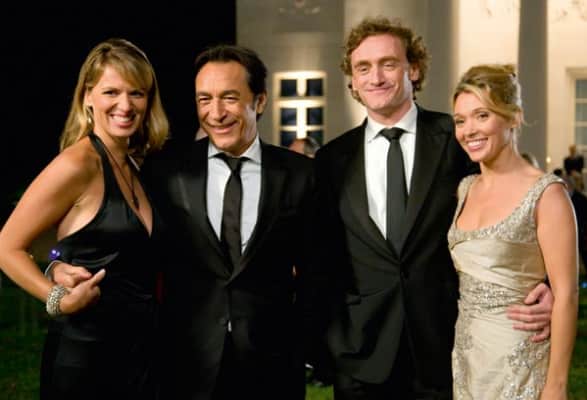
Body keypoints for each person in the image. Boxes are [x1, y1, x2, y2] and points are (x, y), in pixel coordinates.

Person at [53, 44, 315, 400]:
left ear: (260, 101)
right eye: (204, 99)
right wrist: (57, 265)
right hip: (184, 364)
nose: (216, 113)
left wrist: (307, 342)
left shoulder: (301, 174)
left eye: (229, 98)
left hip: (274, 366)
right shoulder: (165, 171)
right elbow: (119, 243)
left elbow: (320, 270)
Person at [312, 16, 554, 399]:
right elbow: (321, 259)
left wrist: (547, 286)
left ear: (413, 68)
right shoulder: (331, 160)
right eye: (363, 68)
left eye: (388, 64)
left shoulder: (459, 139)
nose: (376, 77)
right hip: (360, 353)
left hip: (445, 345)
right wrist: (330, 343)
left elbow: (519, 208)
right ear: (353, 81)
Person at [0, 38, 169, 399]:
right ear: (88, 96)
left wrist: (55, 263)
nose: (125, 105)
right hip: (86, 361)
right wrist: (57, 297)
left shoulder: (135, 166)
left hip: (140, 358)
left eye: (136, 93)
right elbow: (6, 246)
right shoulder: (76, 164)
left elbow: (65, 239)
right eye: (111, 92)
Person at [449, 63, 578, 399]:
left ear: (514, 118)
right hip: (468, 361)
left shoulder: (547, 194)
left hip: (521, 364)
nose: (469, 130)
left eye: (482, 115)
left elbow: (566, 294)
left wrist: (556, 386)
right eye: (460, 120)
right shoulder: (465, 188)